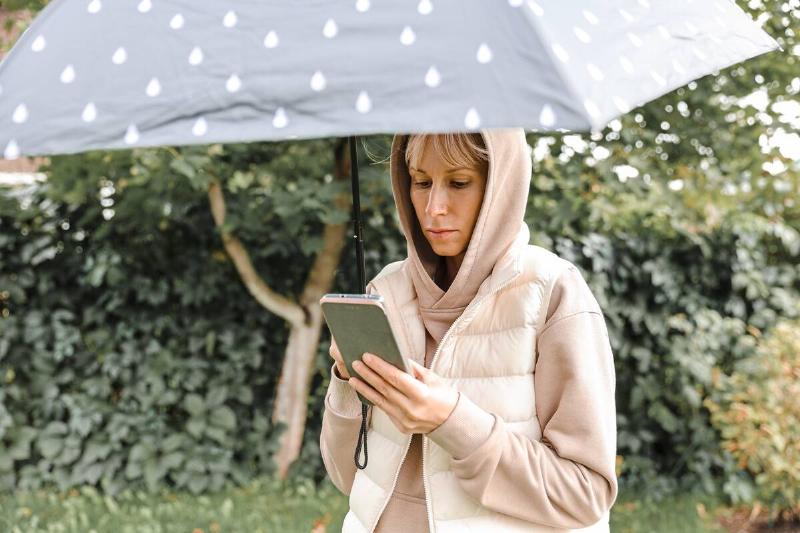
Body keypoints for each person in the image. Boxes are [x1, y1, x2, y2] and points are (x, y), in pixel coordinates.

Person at [320, 128, 617, 532]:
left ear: (501, 186)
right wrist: (346, 382)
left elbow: (586, 495)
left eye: (459, 182)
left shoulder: (551, 292)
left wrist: (452, 421)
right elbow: (349, 478)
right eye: (421, 182)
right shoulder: (384, 292)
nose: (434, 207)